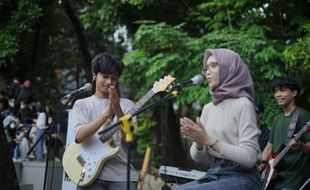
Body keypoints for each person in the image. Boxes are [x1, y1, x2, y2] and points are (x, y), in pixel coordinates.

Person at [177, 48, 262, 190]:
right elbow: (200, 159)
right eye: (206, 68)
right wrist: (198, 143)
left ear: (230, 69)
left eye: (214, 65)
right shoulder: (208, 108)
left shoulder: (244, 104)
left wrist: (209, 141)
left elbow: (250, 158)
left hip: (242, 176)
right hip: (214, 172)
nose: (208, 72)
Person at [71, 52, 138, 190]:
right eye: (105, 76)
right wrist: (107, 113)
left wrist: (118, 109)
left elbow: (129, 138)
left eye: (114, 78)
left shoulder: (127, 105)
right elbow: (80, 136)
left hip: (121, 177)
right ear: (94, 75)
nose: (109, 82)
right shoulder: (81, 104)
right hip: (89, 174)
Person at [261, 76, 310, 190]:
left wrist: (301, 147)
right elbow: (269, 147)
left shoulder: (303, 116)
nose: (278, 94)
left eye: (282, 90)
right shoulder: (277, 119)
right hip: (274, 179)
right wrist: (261, 167)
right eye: (275, 91)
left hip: (294, 181)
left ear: (294, 93)